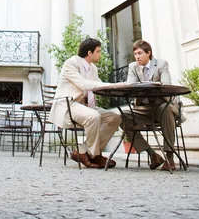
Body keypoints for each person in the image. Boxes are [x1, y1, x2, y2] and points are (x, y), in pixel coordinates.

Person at [49, 38, 122, 169]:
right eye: (98, 51)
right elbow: (83, 84)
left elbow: (98, 84)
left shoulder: (93, 68)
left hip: (85, 106)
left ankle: (83, 151)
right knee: (93, 116)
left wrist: (118, 87)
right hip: (69, 105)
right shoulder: (70, 63)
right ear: (89, 53)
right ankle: (95, 155)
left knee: (114, 118)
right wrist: (112, 84)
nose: (100, 54)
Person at [122, 39, 179, 171]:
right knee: (123, 116)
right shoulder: (133, 67)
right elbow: (130, 86)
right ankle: (152, 154)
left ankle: (170, 158)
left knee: (166, 110)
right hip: (144, 109)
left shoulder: (161, 64)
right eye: (135, 53)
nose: (137, 57)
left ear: (148, 53)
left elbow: (167, 85)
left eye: (140, 53)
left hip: (162, 105)